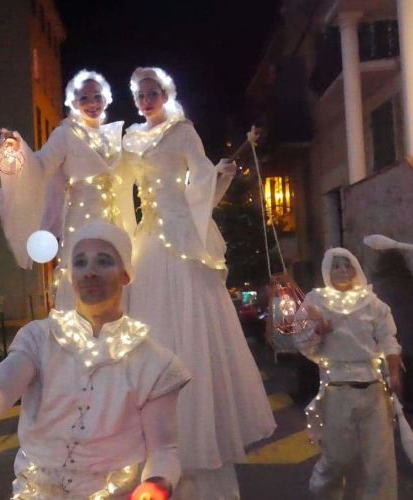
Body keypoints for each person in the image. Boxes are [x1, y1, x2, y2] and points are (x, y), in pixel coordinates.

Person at [0, 221, 190, 499]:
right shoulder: (38, 339)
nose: (90, 272)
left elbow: (164, 450)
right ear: (70, 275)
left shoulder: (154, 362)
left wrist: (156, 484)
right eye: (80, 262)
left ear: (125, 275)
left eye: (104, 261)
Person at [122, 67, 276, 499]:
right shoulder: (130, 138)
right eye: (140, 94)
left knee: (190, 330)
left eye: (153, 92)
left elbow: (200, 176)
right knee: (148, 327)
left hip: (181, 239)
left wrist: (218, 175)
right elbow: (119, 185)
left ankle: (195, 436)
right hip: (147, 241)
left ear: (166, 94)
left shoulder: (183, 131)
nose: (146, 99)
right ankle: (150, 442)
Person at [0, 70, 136, 309]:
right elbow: (41, 165)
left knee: (114, 273)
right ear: (73, 102)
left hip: (113, 221)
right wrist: (18, 151)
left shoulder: (114, 136)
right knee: (83, 272)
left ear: (106, 98)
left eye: (97, 96)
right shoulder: (66, 134)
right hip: (82, 218)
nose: (92, 103)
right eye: (84, 98)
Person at [293, 248, 402, 499]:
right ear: (327, 270)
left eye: (347, 265)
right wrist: (318, 331)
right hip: (337, 388)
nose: (342, 270)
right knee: (337, 457)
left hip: (373, 387)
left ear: (355, 269)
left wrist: (393, 373)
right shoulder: (315, 302)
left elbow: (388, 339)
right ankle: (325, 493)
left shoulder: (371, 303)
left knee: (379, 461)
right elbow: (302, 343)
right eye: (336, 266)